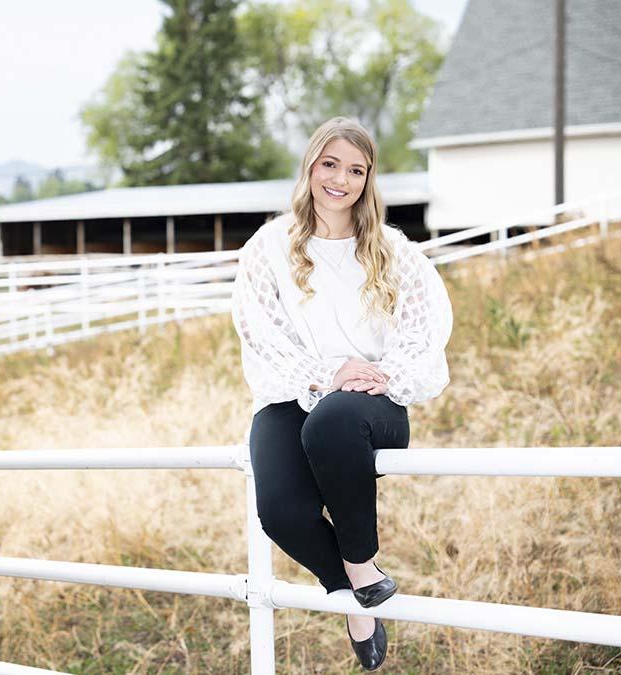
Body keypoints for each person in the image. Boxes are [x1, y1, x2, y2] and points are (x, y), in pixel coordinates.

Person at [230, 116, 453, 671]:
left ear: (368, 179)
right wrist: (324, 373)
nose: (341, 180)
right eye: (330, 164)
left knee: (332, 421)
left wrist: (382, 376)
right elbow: (257, 326)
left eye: (356, 170)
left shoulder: (392, 249)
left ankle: (359, 562)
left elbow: (427, 325)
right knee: (280, 512)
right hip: (294, 390)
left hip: (371, 405)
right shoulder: (270, 247)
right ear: (310, 166)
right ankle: (360, 592)